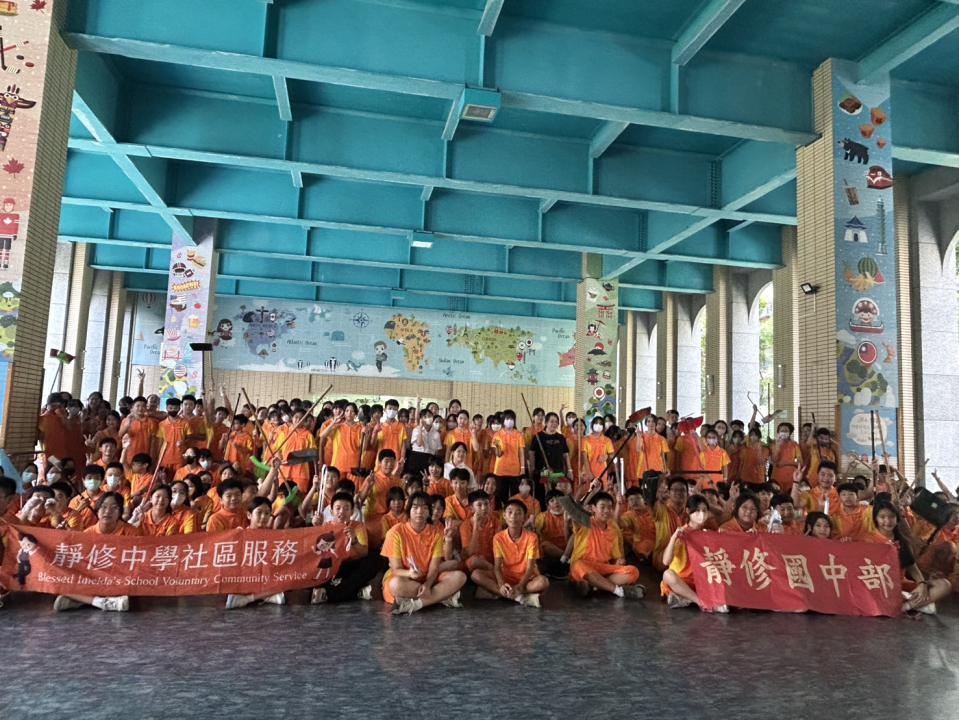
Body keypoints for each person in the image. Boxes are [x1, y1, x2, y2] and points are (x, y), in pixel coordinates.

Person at [381, 491, 467, 615]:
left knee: (460, 577)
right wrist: (410, 573)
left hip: (429, 578)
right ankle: (441, 597)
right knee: (395, 584)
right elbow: (396, 570)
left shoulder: (436, 534)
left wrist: (427, 584)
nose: (420, 512)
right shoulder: (395, 532)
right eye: (415, 507)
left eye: (425, 508)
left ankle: (417, 604)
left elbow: (434, 568)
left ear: (429, 512)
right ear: (409, 510)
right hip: (406, 578)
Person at [53, 493, 140, 613]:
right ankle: (101, 602)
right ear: (97, 510)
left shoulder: (132, 532)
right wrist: (64, 537)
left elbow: (136, 564)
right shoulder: (88, 533)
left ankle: (81, 600)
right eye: (103, 507)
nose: (107, 511)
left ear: (120, 512)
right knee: (58, 582)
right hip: (93, 579)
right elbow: (79, 561)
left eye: (114, 507)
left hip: (117, 579)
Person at [865, 500, 951, 614]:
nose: (887, 521)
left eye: (891, 517)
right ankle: (916, 604)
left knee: (944, 585)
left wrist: (922, 584)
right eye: (882, 517)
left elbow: (912, 568)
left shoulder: (902, 540)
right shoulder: (867, 539)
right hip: (879, 586)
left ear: (897, 518)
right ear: (876, 519)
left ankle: (906, 606)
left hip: (901, 584)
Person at [561, 490, 644, 599]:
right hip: (584, 566)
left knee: (633, 571)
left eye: (609, 507)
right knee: (578, 565)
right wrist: (580, 492)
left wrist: (619, 561)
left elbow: (616, 558)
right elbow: (573, 512)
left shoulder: (613, 529)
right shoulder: (585, 522)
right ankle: (619, 591)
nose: (606, 511)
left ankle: (595, 585)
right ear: (593, 508)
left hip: (602, 569)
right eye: (602, 507)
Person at [469, 499, 549, 607]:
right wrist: (501, 584)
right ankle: (519, 597)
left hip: (526, 578)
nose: (513, 516)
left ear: (524, 518)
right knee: (476, 575)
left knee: (543, 582)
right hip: (506, 576)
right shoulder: (498, 537)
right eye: (510, 512)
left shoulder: (532, 537)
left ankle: (501, 593)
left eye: (518, 513)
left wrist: (520, 586)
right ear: (504, 516)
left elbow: (530, 567)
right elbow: (497, 567)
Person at [311, 491, 385, 604]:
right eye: (338, 508)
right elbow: (315, 552)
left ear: (352, 511)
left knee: (375, 559)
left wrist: (354, 540)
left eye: (346, 508)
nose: (342, 512)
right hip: (333, 566)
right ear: (331, 511)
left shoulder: (358, 526)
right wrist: (316, 529)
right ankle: (355, 591)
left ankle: (329, 593)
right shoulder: (325, 526)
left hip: (352, 565)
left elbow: (364, 552)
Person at [225, 497, 288, 609]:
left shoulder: (273, 536)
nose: (263, 517)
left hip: (265, 578)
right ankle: (266, 596)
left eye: (267, 513)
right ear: (249, 515)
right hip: (245, 578)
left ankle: (249, 599)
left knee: (288, 579)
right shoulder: (240, 533)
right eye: (259, 512)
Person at [660, 494, 720, 611]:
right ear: (688, 511)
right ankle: (700, 602)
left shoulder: (708, 533)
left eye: (704, 511)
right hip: (682, 581)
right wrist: (673, 538)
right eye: (697, 511)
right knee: (668, 575)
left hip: (702, 580)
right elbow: (666, 561)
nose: (701, 514)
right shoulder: (682, 533)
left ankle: (685, 599)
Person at [357, 449, 402, 549]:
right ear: (380, 463)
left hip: (391, 518)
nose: (389, 464)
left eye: (392, 461)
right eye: (386, 461)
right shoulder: (372, 478)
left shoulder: (397, 480)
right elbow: (360, 500)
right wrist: (368, 487)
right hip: (373, 518)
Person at [457, 489, 501, 580]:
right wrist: (476, 527)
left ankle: (494, 573)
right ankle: (495, 571)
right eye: (479, 505)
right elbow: (470, 553)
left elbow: (499, 546)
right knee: (473, 561)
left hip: (493, 559)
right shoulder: (465, 525)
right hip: (475, 562)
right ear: (471, 508)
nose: (484, 508)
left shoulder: (495, 521)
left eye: (486, 504)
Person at [491, 410, 526, 504]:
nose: (509, 420)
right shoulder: (497, 435)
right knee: (500, 496)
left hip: (515, 470)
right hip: (500, 470)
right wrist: (498, 448)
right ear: (503, 420)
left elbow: (521, 452)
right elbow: (498, 454)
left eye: (511, 418)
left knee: (515, 496)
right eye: (507, 418)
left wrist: (522, 468)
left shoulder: (519, 434)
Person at [534, 489, 569, 577]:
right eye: (552, 500)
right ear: (548, 505)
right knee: (544, 545)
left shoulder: (569, 515)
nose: (556, 502)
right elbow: (535, 533)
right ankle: (568, 559)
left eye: (558, 499)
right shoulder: (543, 516)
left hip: (568, 547)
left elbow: (571, 538)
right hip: (551, 550)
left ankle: (566, 559)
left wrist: (566, 522)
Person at [770, 422, 802, 493]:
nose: (784, 432)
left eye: (786, 431)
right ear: (778, 432)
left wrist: (786, 463)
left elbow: (800, 462)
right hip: (777, 476)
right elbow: (774, 460)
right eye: (782, 430)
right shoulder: (773, 444)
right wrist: (778, 446)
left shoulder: (794, 444)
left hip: (791, 477)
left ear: (789, 433)